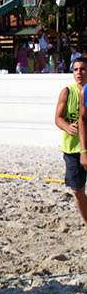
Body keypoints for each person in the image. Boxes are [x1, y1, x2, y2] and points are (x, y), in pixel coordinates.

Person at [57, 57, 87, 225]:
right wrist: (67, 126)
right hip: (72, 149)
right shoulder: (67, 91)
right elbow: (58, 118)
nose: (78, 73)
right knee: (77, 190)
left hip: (85, 147)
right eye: (75, 69)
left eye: (82, 69)